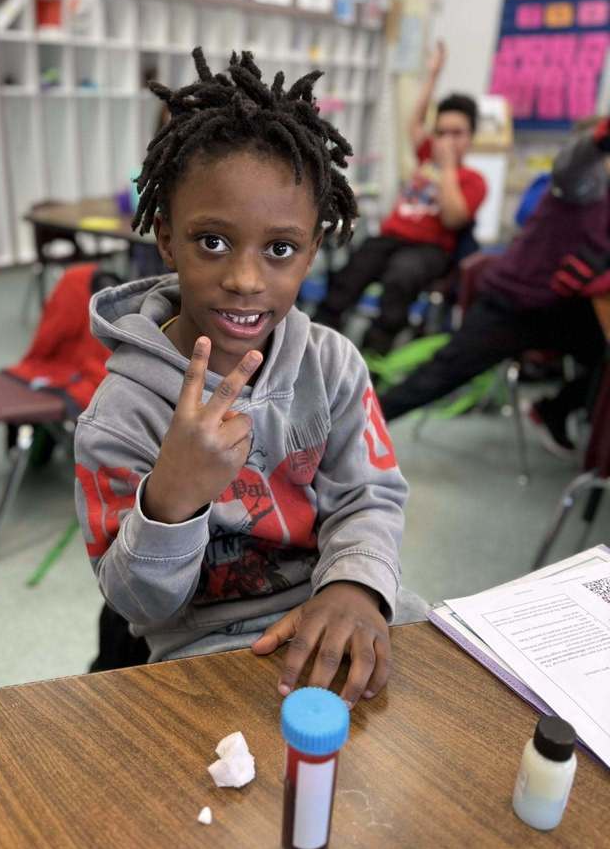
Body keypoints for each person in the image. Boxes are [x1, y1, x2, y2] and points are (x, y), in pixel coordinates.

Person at [75, 48, 416, 707]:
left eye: (279, 250)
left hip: (333, 610)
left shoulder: (334, 366)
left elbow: (370, 499)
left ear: (311, 251)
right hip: (204, 652)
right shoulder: (121, 414)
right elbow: (134, 600)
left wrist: (354, 587)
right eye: (212, 242)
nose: (245, 279)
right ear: (167, 239)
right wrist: (171, 498)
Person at [379, 117, 610, 454]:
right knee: (435, 378)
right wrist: (600, 140)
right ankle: (348, 431)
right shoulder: (581, 182)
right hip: (512, 305)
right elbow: (573, 162)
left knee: (603, 360)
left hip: (560, 309)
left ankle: (554, 411)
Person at [314, 42, 487, 355]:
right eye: (442, 132)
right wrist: (433, 76)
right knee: (352, 272)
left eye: (457, 133)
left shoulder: (472, 180)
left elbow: (453, 218)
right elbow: (414, 121)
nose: (446, 139)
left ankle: (374, 353)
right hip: (392, 238)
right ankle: (318, 339)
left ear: (470, 137)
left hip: (430, 250)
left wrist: (448, 167)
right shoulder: (425, 156)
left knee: (400, 280)